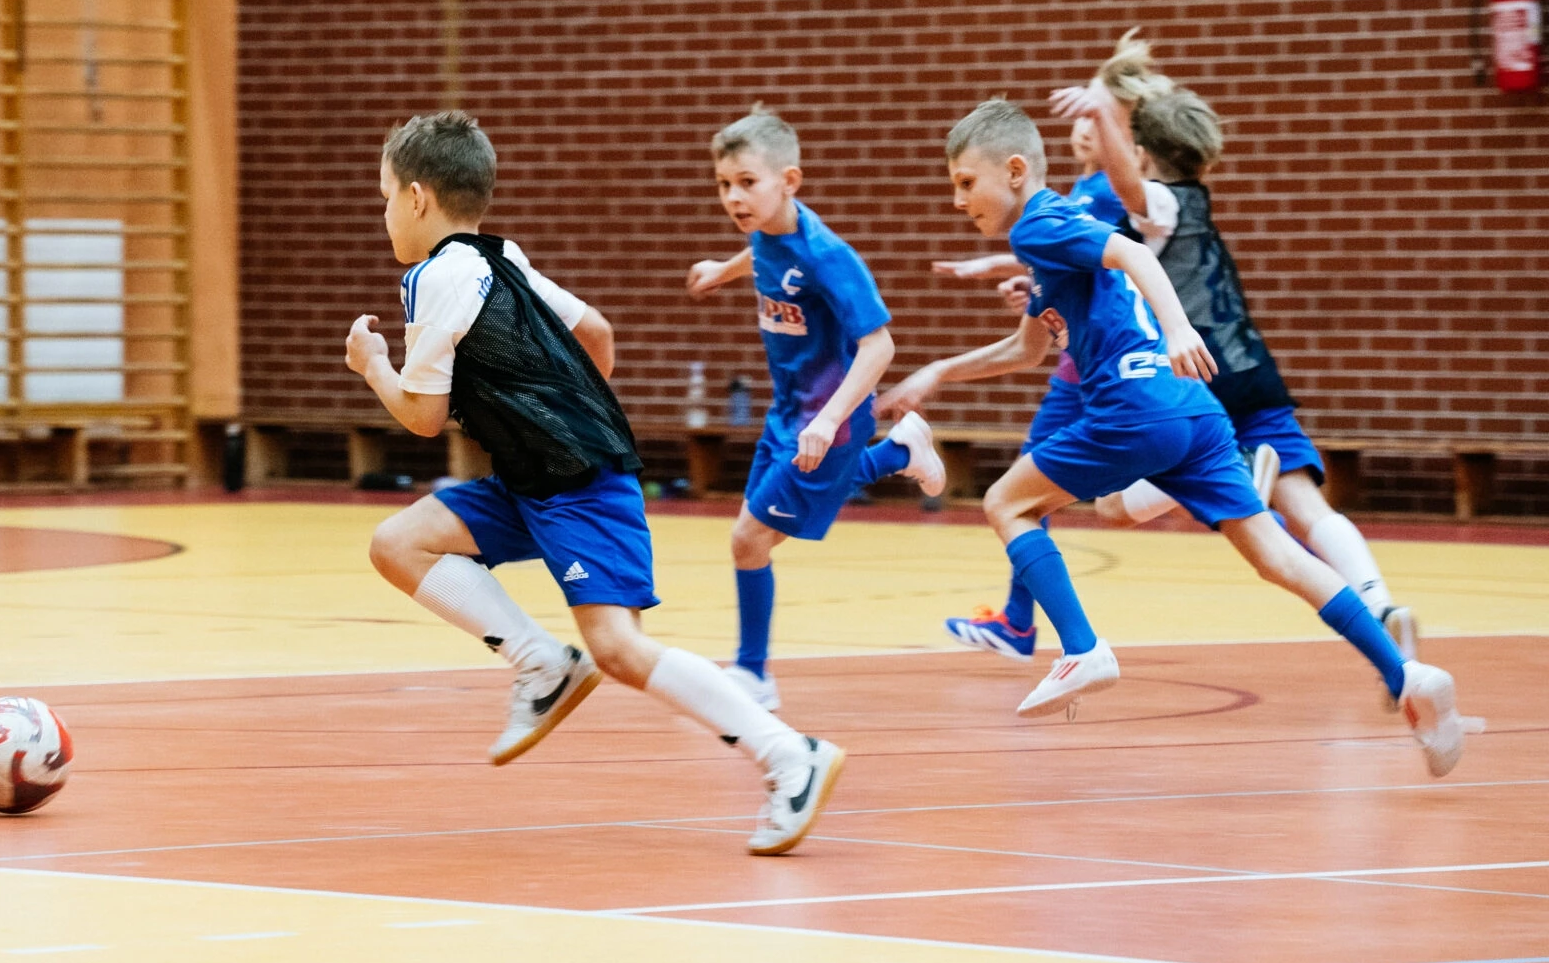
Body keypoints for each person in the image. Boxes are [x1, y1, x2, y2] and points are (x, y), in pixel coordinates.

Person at [877, 100, 1462, 776]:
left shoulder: (1038, 223)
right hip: (1195, 412)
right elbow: (1027, 349)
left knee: (1007, 503)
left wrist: (1180, 328)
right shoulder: (1051, 240)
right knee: (1278, 557)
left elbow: (1131, 253)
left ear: (1013, 171)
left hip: (1133, 407)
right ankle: (1406, 676)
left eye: (965, 182)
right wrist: (939, 372)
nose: (957, 200)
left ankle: (1082, 648)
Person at [350, 111, 844, 855]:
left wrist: (373, 367)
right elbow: (598, 333)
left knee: (618, 649)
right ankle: (542, 663)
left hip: (578, 485)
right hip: (535, 477)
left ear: (417, 197)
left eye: (386, 196)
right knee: (399, 542)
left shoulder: (436, 276)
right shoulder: (501, 256)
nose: (385, 212)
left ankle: (789, 754)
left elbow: (422, 417)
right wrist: (572, 412)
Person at [1051, 32, 1419, 700]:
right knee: (1307, 506)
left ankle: (1245, 473)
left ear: (1142, 152)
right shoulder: (1197, 202)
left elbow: (1129, 185)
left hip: (1202, 380)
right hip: (1256, 373)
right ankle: (1381, 604)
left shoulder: (1160, 206)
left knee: (1113, 506)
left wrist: (1101, 110)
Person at [930, 115, 1280, 659]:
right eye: (1080, 119)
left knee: (1021, 495)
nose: (1084, 128)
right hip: (1089, 356)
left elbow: (1115, 255)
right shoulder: (1070, 193)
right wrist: (1024, 281)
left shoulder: (1107, 189)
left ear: (1129, 142)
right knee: (1095, 503)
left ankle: (1033, 627)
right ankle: (1020, 620)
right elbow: (1072, 265)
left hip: (1108, 365)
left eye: (1099, 119)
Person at [682, 106, 944, 711]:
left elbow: (880, 346)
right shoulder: (766, 232)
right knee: (754, 539)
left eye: (747, 182)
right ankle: (900, 451)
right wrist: (723, 271)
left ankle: (754, 674)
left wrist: (829, 421)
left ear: (789, 182)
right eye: (724, 184)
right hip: (787, 412)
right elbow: (761, 253)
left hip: (832, 418)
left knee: (748, 538)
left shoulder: (827, 255)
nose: (734, 197)